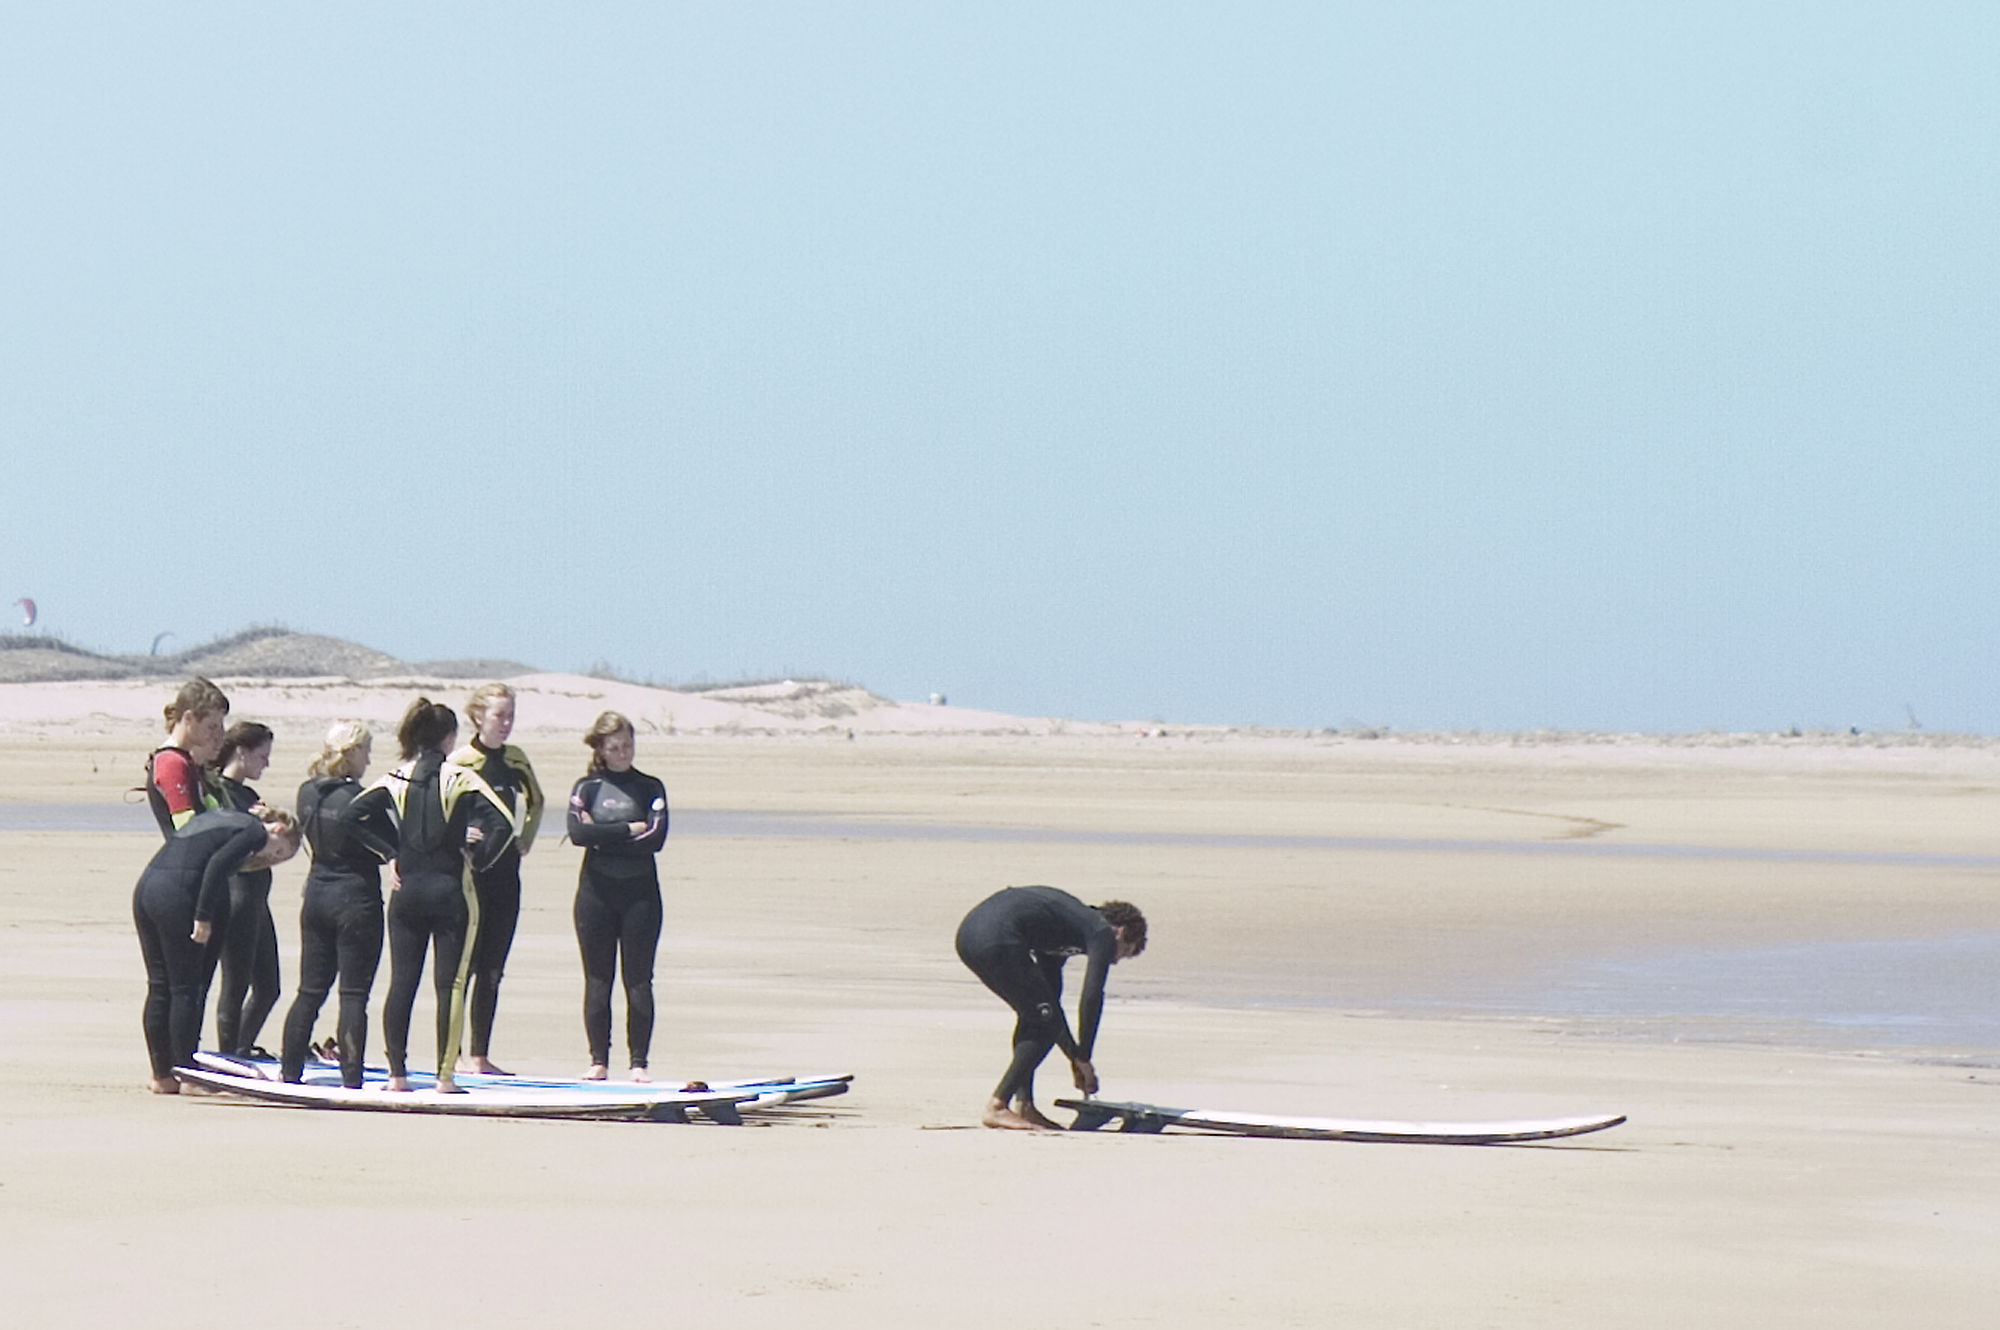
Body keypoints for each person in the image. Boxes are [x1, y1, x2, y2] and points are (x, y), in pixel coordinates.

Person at [344, 699, 515, 1093]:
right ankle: (444, 1078)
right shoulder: (460, 777)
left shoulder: (396, 776)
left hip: (407, 894)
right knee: (450, 986)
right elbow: (505, 822)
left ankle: (397, 1076)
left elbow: (353, 817)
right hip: (451, 892)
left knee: (402, 982)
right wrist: (479, 860)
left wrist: (391, 853)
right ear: (449, 737)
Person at [133, 805, 300, 1093]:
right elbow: (218, 866)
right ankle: (188, 1074)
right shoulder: (254, 832)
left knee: (160, 986)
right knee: (187, 988)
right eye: (279, 852)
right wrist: (203, 916)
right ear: (279, 829)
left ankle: (161, 1075)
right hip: (178, 893)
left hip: (148, 887)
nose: (268, 858)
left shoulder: (225, 816)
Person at [953, 885, 1147, 1130]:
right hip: (996, 936)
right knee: (1041, 1020)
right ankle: (997, 1106)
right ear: (1121, 932)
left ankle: (1025, 1106)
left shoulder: (1062, 930)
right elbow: (1091, 997)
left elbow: (1051, 1005)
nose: (1116, 960)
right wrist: (1085, 1057)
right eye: (1125, 952)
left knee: (1037, 1015)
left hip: (971, 938)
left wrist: (1074, 1058)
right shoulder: (1100, 931)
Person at [446, 682, 544, 1075]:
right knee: (462, 967)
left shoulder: (516, 760)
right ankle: (449, 1052)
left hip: (506, 876)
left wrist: (526, 839)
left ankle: (480, 1055)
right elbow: (439, 807)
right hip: (469, 876)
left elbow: (536, 800)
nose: (506, 723)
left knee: (492, 970)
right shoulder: (460, 761)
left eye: (511, 716)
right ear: (478, 717)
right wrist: (458, 835)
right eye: (499, 715)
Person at [565, 711, 668, 1081]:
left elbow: (655, 838)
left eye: (628, 745)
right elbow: (578, 834)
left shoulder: (651, 787)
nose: (623, 753)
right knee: (597, 979)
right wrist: (628, 829)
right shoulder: (587, 788)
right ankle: (598, 1060)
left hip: (640, 896)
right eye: (615, 747)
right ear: (602, 750)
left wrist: (604, 834)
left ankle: (638, 1063)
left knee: (639, 980)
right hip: (596, 894)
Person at [278, 722, 382, 1088]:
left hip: (317, 894)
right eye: (366, 751)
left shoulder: (307, 791)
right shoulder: (360, 798)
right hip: (355, 897)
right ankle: (351, 1077)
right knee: (353, 994)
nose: (369, 759)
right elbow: (387, 846)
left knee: (309, 991)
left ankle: (290, 1071)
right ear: (351, 753)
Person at [211, 721, 282, 1058]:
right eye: (262, 756)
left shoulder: (249, 795)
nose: (266, 764)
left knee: (269, 987)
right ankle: (228, 1056)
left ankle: (239, 1046)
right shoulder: (218, 791)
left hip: (257, 896)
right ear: (242, 751)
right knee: (235, 984)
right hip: (235, 894)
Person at [142, 678, 230, 838]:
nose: (218, 734)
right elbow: (186, 826)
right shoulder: (171, 762)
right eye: (211, 726)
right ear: (188, 718)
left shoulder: (187, 761)